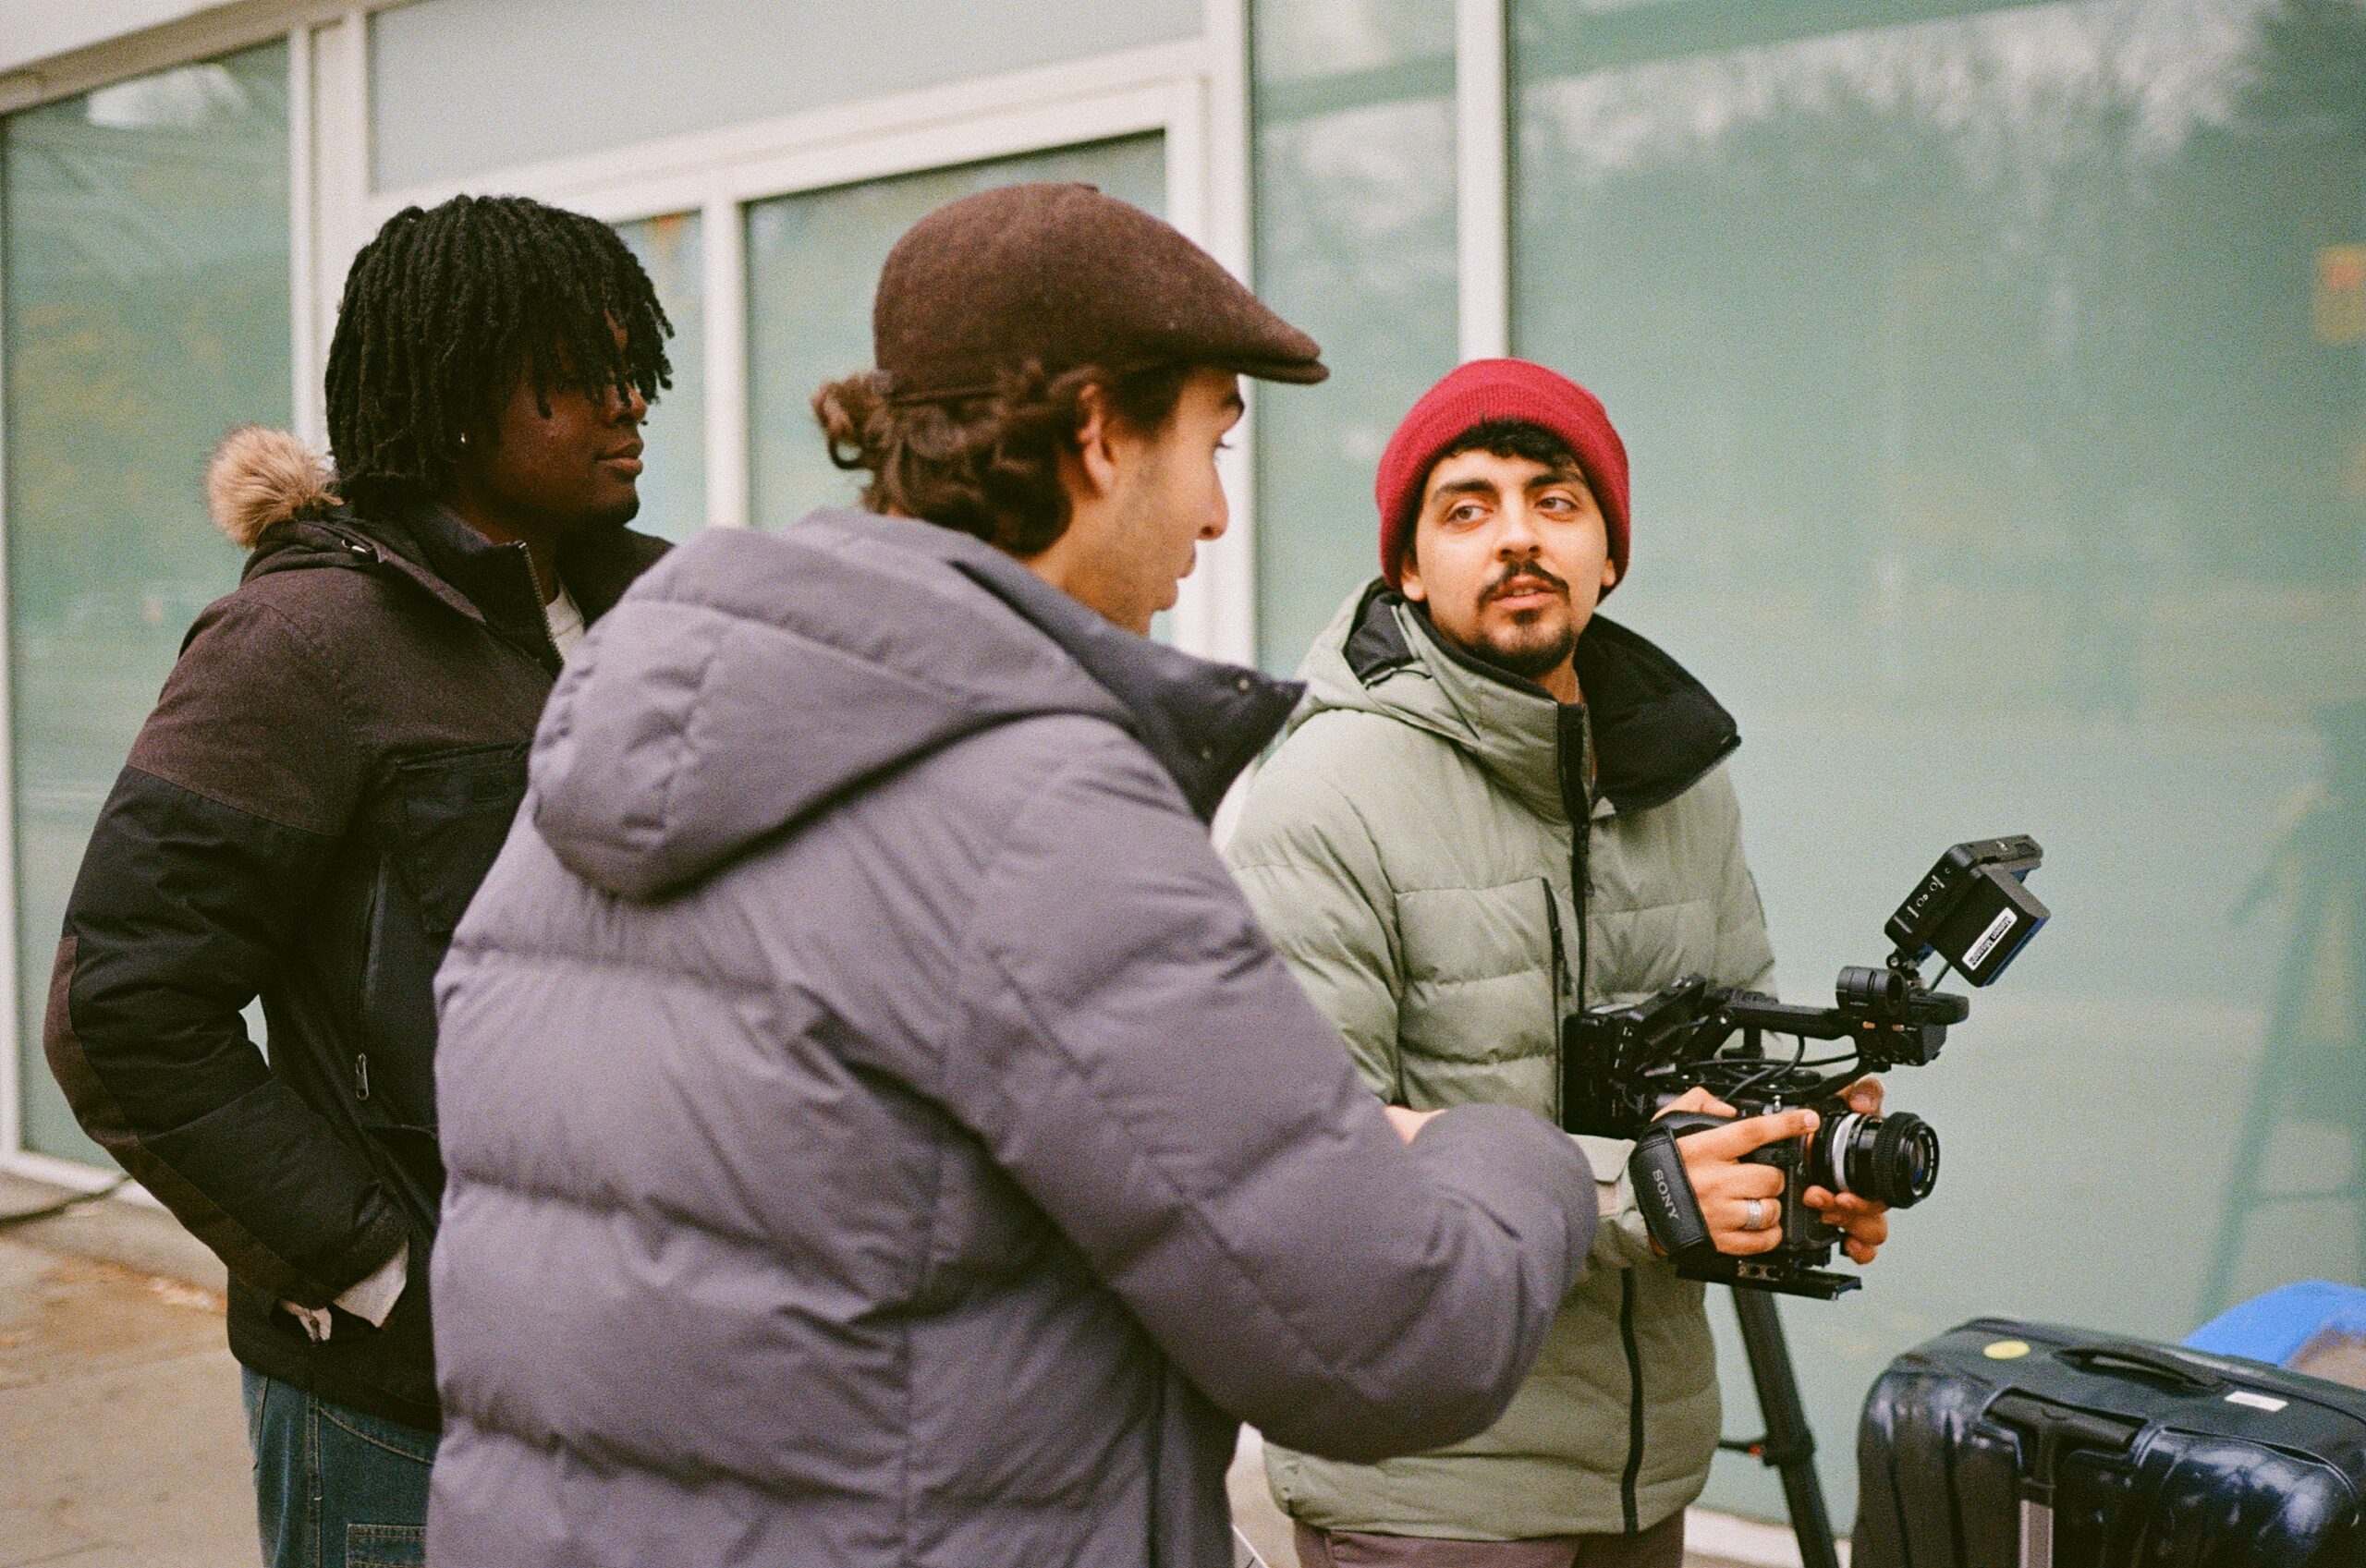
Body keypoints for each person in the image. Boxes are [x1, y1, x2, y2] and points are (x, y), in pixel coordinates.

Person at [423, 184, 1600, 1568]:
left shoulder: (607, 750)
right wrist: (1510, 1150)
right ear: (1100, 434)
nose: (1219, 514)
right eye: (1212, 444)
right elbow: (1387, 1336)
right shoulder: (1040, 814)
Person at [43, 194, 675, 1568]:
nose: (630, 400)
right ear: (455, 400)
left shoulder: (658, 620)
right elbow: (126, 1008)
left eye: (635, 361)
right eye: (580, 369)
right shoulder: (301, 643)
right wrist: (385, 1278)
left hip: (638, 1378)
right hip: (404, 1419)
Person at [1225, 358, 1895, 1567]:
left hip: (1647, 1468)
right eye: (1467, 508)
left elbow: (1727, 1057)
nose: (1518, 537)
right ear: (1408, 567)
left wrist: (1804, 1153)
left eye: (1555, 500)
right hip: (1427, 1482)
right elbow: (1309, 1148)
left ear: (1610, 551)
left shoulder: (1678, 777)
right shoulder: (1323, 797)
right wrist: (1636, 1193)